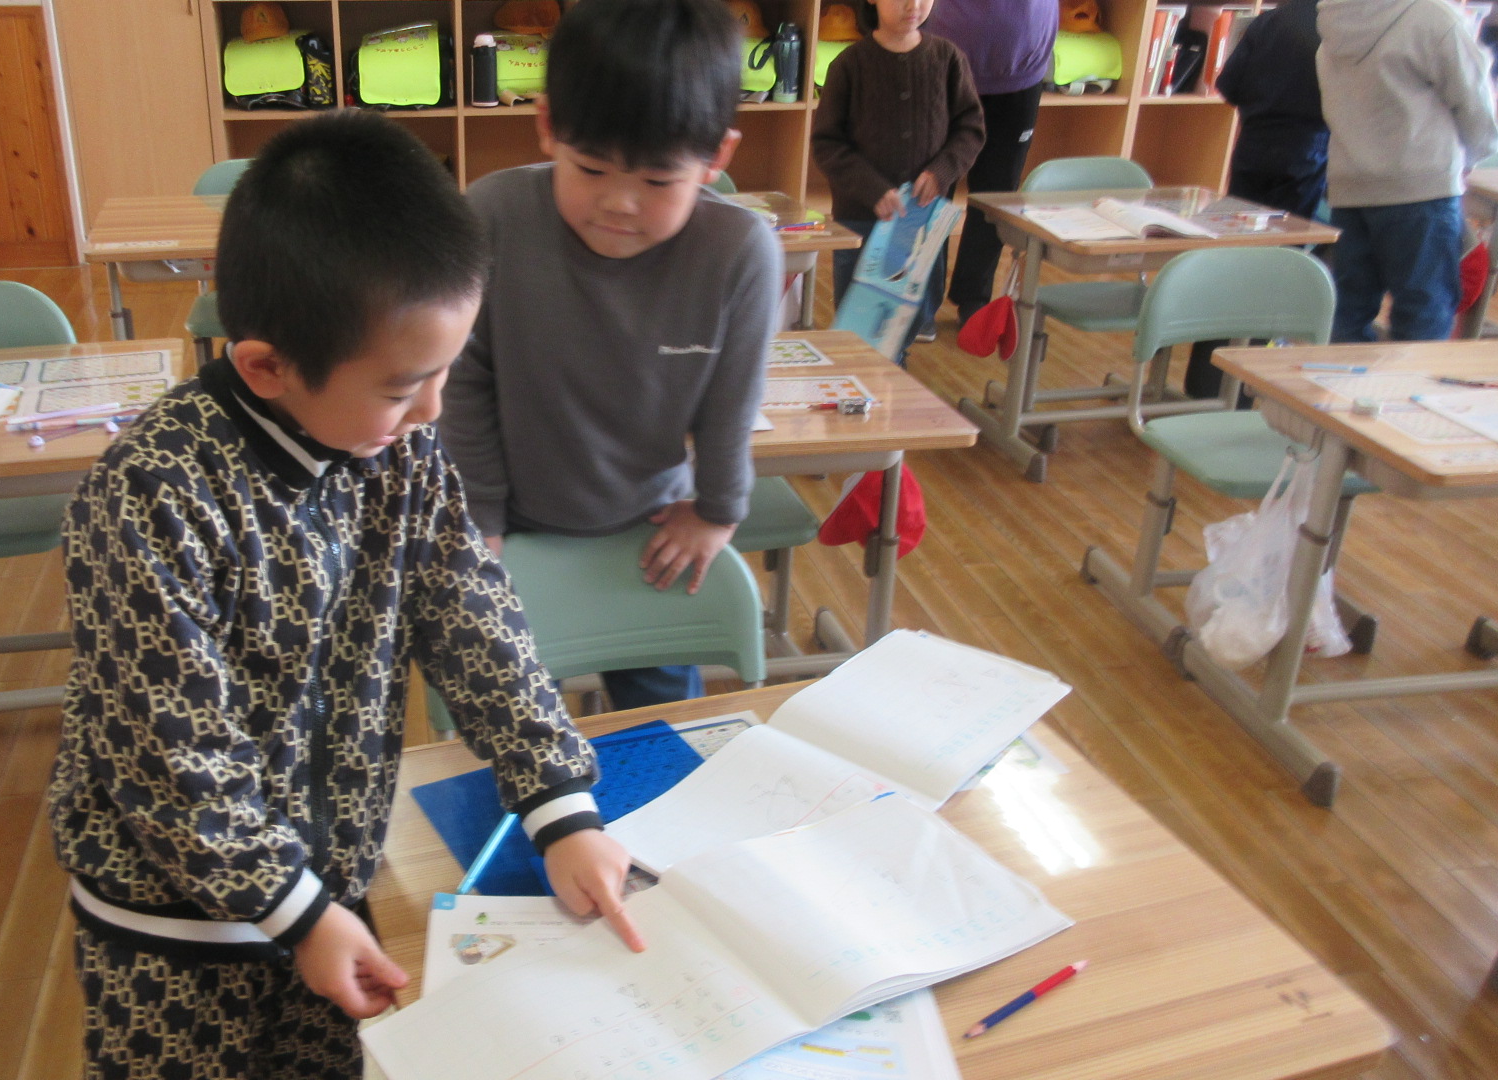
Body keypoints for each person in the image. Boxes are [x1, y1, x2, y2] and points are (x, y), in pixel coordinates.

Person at [49, 111, 643, 1080]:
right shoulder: (151, 495)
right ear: (265, 366)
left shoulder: (396, 448)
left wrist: (559, 805)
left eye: (446, 372)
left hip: (331, 885)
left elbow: (473, 617)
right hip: (177, 930)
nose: (433, 410)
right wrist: (296, 913)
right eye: (404, 386)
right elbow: (173, 757)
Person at [440, 0, 782, 711]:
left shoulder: (739, 253)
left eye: (658, 182)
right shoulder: (493, 216)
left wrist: (718, 510)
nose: (620, 203)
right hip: (516, 527)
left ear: (717, 157)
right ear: (547, 125)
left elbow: (732, 403)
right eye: (591, 168)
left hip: (650, 531)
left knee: (664, 722)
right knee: (512, 716)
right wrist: (483, 523)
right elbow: (464, 383)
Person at [811, 0, 984, 361]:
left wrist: (942, 172)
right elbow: (827, 143)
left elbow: (970, 129)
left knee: (904, 329)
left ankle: (894, 385)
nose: (913, 5)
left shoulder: (948, 58)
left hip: (920, 225)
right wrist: (872, 189)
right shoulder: (848, 65)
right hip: (860, 221)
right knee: (859, 333)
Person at [1317, 0, 1498, 343]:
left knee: (1348, 312)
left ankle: (1345, 379)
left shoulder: (1335, 17)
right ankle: (1409, 380)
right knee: (1424, 312)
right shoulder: (1432, 17)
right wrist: (1472, 157)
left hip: (1349, 184)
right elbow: (1475, 100)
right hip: (1421, 186)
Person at [1183, 0, 1330, 398]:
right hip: (1306, 157)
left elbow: (1228, 85)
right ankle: (1246, 382)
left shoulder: (1269, 22)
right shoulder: (1339, 28)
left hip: (1253, 151)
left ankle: (1206, 378)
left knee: (1234, 261)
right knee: (1279, 268)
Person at [925, 0, 1057, 330]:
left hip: (1022, 68)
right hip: (940, 62)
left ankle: (974, 297)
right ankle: (921, 300)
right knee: (931, 188)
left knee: (996, 194)